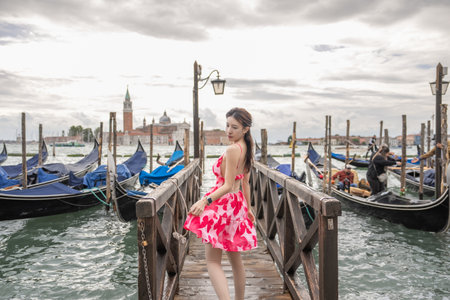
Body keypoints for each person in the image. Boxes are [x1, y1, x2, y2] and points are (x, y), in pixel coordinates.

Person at [184, 107, 257, 300]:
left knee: (213, 261)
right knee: (235, 259)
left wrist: (204, 200)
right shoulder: (248, 148)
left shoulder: (233, 149)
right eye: (227, 125)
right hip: (236, 204)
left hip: (223, 204)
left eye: (234, 127)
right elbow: (244, 182)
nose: (229, 131)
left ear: (245, 129)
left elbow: (227, 185)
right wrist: (248, 208)